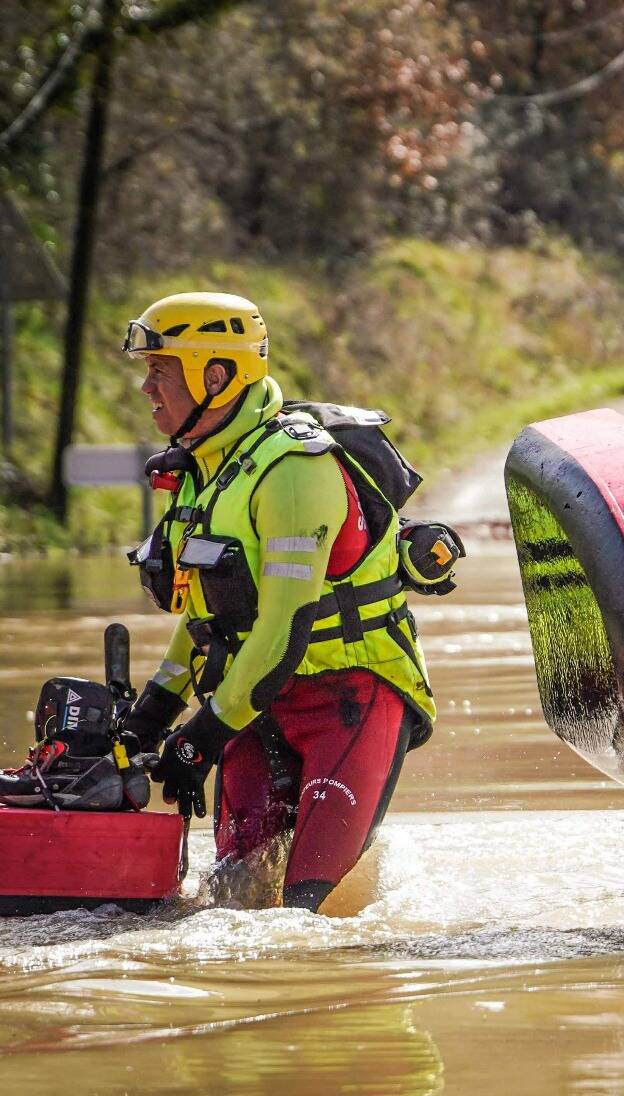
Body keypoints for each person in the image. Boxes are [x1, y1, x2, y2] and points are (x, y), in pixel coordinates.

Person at [116, 292, 441, 911]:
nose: (145, 387)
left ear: (216, 375)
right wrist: (155, 711)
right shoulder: (203, 469)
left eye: (160, 370)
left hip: (350, 698)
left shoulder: (295, 468)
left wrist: (200, 739)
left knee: (304, 919)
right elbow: (205, 614)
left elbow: (282, 633)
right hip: (256, 705)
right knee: (231, 905)